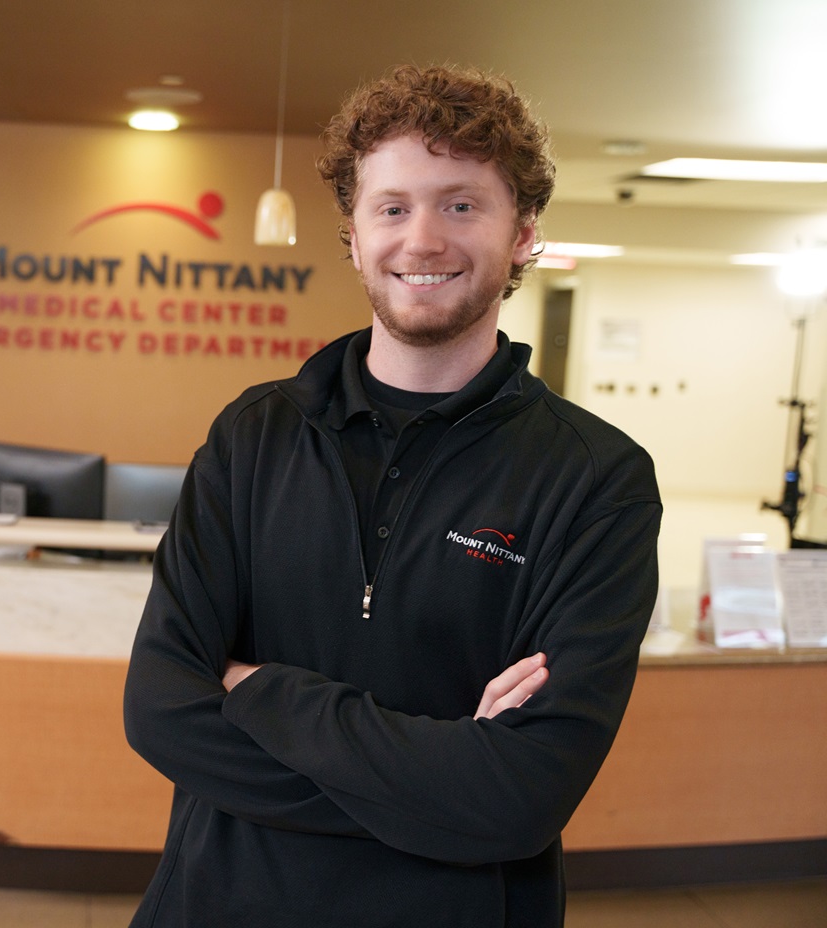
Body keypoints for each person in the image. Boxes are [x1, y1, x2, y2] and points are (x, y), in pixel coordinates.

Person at [122, 64, 661, 927]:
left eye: (461, 205)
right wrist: (445, 783)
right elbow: (159, 709)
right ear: (354, 230)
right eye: (393, 207)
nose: (422, 240)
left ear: (523, 233)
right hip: (222, 904)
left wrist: (258, 690)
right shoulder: (253, 437)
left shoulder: (597, 479)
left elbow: (520, 797)